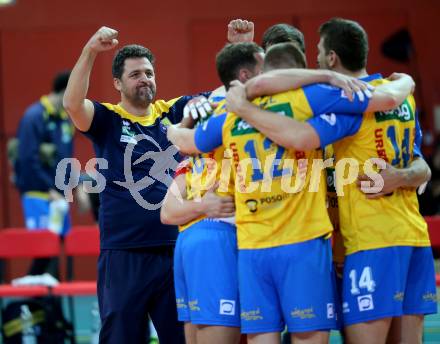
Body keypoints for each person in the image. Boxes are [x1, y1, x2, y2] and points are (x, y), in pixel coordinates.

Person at [224, 18, 435, 344]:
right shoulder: (390, 95)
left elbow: (300, 134)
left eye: (318, 52)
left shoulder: (324, 101)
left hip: (354, 245)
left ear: (329, 58)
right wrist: (406, 82)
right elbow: (416, 153)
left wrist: (400, 177)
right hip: (362, 241)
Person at [63, 26, 209, 344]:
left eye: (149, 72)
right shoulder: (107, 120)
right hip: (123, 254)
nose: (145, 79)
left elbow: (226, 98)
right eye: (135, 74)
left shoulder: (173, 112)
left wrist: (241, 49)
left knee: (183, 338)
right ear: (117, 83)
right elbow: (73, 104)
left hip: (174, 250)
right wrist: (89, 50)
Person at [162, 42, 264, 344]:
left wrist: (184, 125)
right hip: (218, 238)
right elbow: (166, 212)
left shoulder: (195, 147)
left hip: (190, 242)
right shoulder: (239, 122)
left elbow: (167, 212)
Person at [13, 70, 73, 278]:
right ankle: (31, 305)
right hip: (40, 195)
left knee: (57, 250)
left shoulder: (65, 119)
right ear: (65, 91)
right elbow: (27, 160)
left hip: (59, 198)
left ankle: (49, 309)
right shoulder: (34, 117)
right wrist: (50, 189)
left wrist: (74, 187)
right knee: (43, 252)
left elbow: (66, 159)